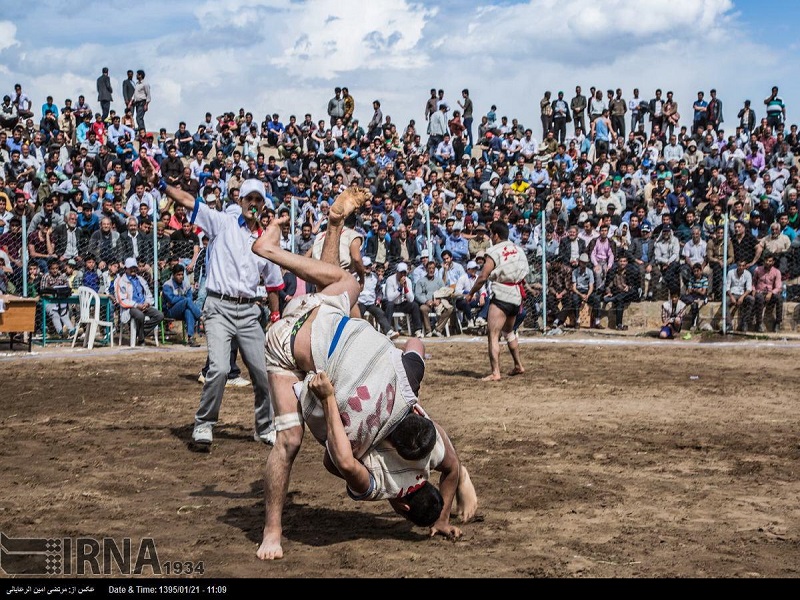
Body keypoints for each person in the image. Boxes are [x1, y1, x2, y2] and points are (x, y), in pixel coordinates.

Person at [250, 189, 476, 560]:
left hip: (327, 315)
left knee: (350, 282)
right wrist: (325, 399)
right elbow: (337, 462)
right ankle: (271, 533)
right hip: (289, 347)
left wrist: (446, 511)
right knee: (289, 442)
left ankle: (321, 231)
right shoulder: (378, 477)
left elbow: (450, 468)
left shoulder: (415, 406)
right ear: (402, 507)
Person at [140, 160, 283, 449]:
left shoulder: (267, 242)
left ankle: (264, 427)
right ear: (240, 201)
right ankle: (204, 424)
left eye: (258, 200)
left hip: (249, 311)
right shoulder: (223, 223)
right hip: (219, 307)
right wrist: (158, 183)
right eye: (249, 199)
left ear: (263, 206)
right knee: (218, 369)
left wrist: (276, 314)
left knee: (263, 373)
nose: (253, 204)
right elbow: (189, 200)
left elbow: (273, 284)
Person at [466, 221, 529, 381]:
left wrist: (471, 293)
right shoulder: (518, 250)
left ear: (495, 235)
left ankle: (495, 372)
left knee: (493, 335)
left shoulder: (494, 251)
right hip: (516, 295)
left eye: (491, 234)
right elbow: (524, 273)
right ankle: (518, 365)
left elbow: (482, 277)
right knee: (509, 332)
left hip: (502, 294)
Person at [114, 256, 164, 345]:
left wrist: (147, 303)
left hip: (144, 305)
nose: (133, 269)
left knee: (159, 315)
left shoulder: (141, 280)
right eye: (131, 268)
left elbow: (149, 294)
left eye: (134, 267)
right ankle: (141, 339)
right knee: (140, 315)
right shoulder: (121, 281)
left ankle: (140, 334)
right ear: (126, 269)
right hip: (130, 307)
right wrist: (136, 305)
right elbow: (122, 301)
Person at [162, 263, 203, 347]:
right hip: (170, 311)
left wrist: (183, 300)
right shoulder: (167, 285)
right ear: (173, 275)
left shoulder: (185, 284)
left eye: (182, 274)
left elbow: (190, 298)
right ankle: (200, 316)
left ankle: (190, 338)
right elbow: (172, 300)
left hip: (182, 309)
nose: (181, 276)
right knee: (187, 301)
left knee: (188, 311)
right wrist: (183, 299)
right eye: (178, 275)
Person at [752, 253, 783, 333]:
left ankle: (778, 323)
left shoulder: (777, 272)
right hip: (760, 292)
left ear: (773, 262)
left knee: (779, 298)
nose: (767, 263)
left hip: (771, 294)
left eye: (770, 261)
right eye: (766, 261)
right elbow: (753, 282)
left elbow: (778, 287)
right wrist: (753, 290)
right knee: (759, 297)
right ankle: (759, 323)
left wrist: (771, 293)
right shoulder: (757, 269)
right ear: (763, 261)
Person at [725, 259, 754, 333]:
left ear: (745, 267)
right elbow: (727, 287)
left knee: (751, 299)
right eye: (739, 265)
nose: (741, 267)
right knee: (725, 301)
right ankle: (729, 325)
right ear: (737, 266)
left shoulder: (748, 274)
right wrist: (731, 296)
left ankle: (744, 322)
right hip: (733, 293)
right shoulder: (730, 273)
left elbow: (749, 288)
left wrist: (742, 297)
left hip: (742, 294)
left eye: (743, 266)